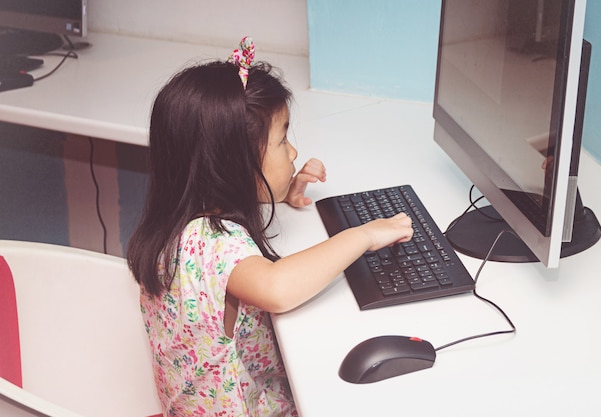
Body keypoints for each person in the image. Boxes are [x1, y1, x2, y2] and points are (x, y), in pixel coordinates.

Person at [126, 37, 413, 417]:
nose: (293, 152)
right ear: (234, 166)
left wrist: (280, 192)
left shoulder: (180, 222)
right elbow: (277, 288)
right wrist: (362, 235)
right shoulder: (209, 244)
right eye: (282, 141)